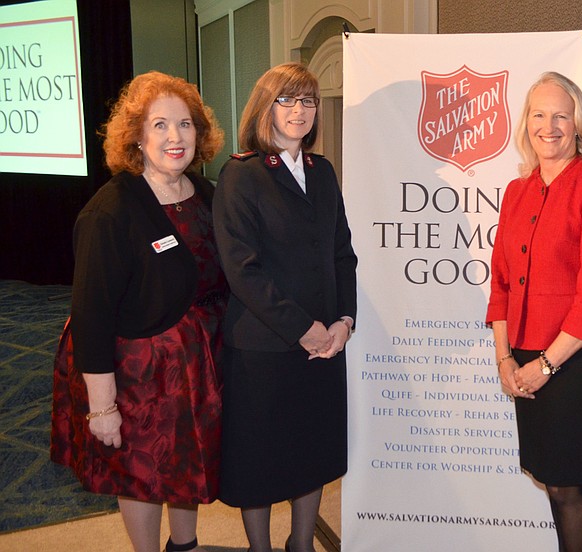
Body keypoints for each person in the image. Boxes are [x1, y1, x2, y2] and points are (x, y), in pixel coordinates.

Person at [50, 71, 227, 552]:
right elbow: (91, 312)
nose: (175, 137)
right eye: (160, 125)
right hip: (139, 375)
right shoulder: (110, 212)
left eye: (186, 124)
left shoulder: (208, 195)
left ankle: (184, 546)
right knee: (142, 472)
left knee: (187, 462)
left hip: (195, 364)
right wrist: (102, 407)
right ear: (137, 137)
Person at [213, 62, 357, 552]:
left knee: (311, 454)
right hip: (264, 349)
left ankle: (301, 543)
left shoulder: (323, 172)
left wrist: (344, 322)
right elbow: (242, 271)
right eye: (288, 100)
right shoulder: (241, 174)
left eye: (308, 101)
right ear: (265, 107)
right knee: (260, 463)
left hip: (324, 344)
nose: (299, 111)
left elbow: (343, 254)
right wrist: (304, 330)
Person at [486, 72, 582, 552]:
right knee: (548, 477)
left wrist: (546, 365)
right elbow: (502, 282)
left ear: (579, 126)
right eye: (538, 115)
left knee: (567, 486)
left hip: (575, 361)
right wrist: (504, 359)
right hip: (524, 355)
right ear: (526, 123)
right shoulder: (516, 191)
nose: (548, 127)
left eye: (561, 116)